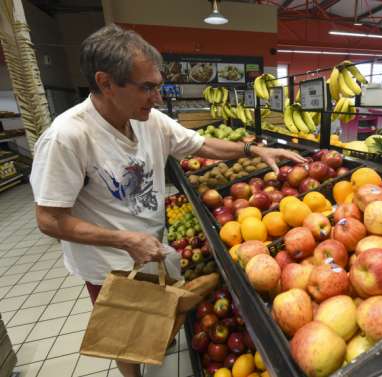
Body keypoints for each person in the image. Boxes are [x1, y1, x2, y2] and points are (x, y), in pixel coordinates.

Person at [30, 24, 305, 377]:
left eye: (157, 86)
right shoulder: (68, 137)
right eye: (146, 88)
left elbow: (202, 145)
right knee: (124, 336)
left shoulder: (149, 120)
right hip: (109, 263)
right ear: (105, 82)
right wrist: (124, 239)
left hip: (150, 246)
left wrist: (253, 148)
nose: (157, 97)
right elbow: (49, 219)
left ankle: (155, 341)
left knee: (154, 316)